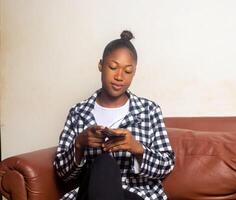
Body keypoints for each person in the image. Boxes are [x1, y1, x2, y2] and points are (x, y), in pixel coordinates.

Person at [54, 30, 175, 200]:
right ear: (100, 65)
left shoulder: (149, 110)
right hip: (90, 194)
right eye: (113, 67)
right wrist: (79, 144)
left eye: (127, 71)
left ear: (134, 73)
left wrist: (137, 148)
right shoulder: (78, 113)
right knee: (103, 164)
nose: (119, 77)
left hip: (137, 195)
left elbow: (166, 166)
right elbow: (62, 174)